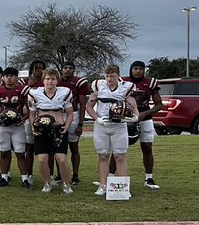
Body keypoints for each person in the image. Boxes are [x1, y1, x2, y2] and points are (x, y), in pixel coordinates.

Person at [87, 65, 139, 197]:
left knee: (119, 156)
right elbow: (89, 106)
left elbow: (132, 103)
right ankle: (103, 185)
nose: (109, 79)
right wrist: (97, 119)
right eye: (107, 76)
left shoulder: (125, 87)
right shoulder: (98, 85)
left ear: (118, 75)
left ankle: (122, 187)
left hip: (118, 126)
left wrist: (135, 116)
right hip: (102, 126)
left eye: (112, 76)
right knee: (103, 156)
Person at [28, 69, 73, 194]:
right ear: (43, 80)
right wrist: (33, 127)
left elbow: (70, 113)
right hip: (41, 129)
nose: (50, 81)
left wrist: (67, 126)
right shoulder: (35, 93)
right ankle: (47, 183)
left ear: (57, 80)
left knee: (61, 158)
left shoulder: (65, 92)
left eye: (53, 79)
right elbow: (32, 114)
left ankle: (66, 183)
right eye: (47, 78)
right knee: (42, 158)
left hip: (59, 128)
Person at [125, 60, 164, 190]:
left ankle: (149, 178)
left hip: (145, 118)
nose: (138, 71)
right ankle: (111, 176)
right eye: (135, 68)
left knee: (147, 147)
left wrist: (145, 113)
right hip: (127, 118)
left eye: (140, 68)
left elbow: (159, 104)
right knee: (119, 148)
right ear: (131, 69)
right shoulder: (123, 82)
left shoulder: (150, 83)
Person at [0, 67, 31, 189]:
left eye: (12, 76)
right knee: (4, 152)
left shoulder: (23, 90)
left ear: (16, 77)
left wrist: (23, 119)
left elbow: (30, 109)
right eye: (7, 76)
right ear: (3, 77)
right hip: (3, 126)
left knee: (20, 153)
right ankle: (4, 178)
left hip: (17, 126)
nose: (9, 78)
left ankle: (25, 179)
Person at [59, 62, 89, 185]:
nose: (68, 70)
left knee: (74, 147)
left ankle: (75, 175)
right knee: (59, 148)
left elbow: (82, 104)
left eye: (70, 68)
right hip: (59, 114)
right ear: (62, 69)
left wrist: (80, 124)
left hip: (74, 114)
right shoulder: (57, 81)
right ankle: (60, 174)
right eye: (65, 68)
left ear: (74, 70)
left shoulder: (79, 82)